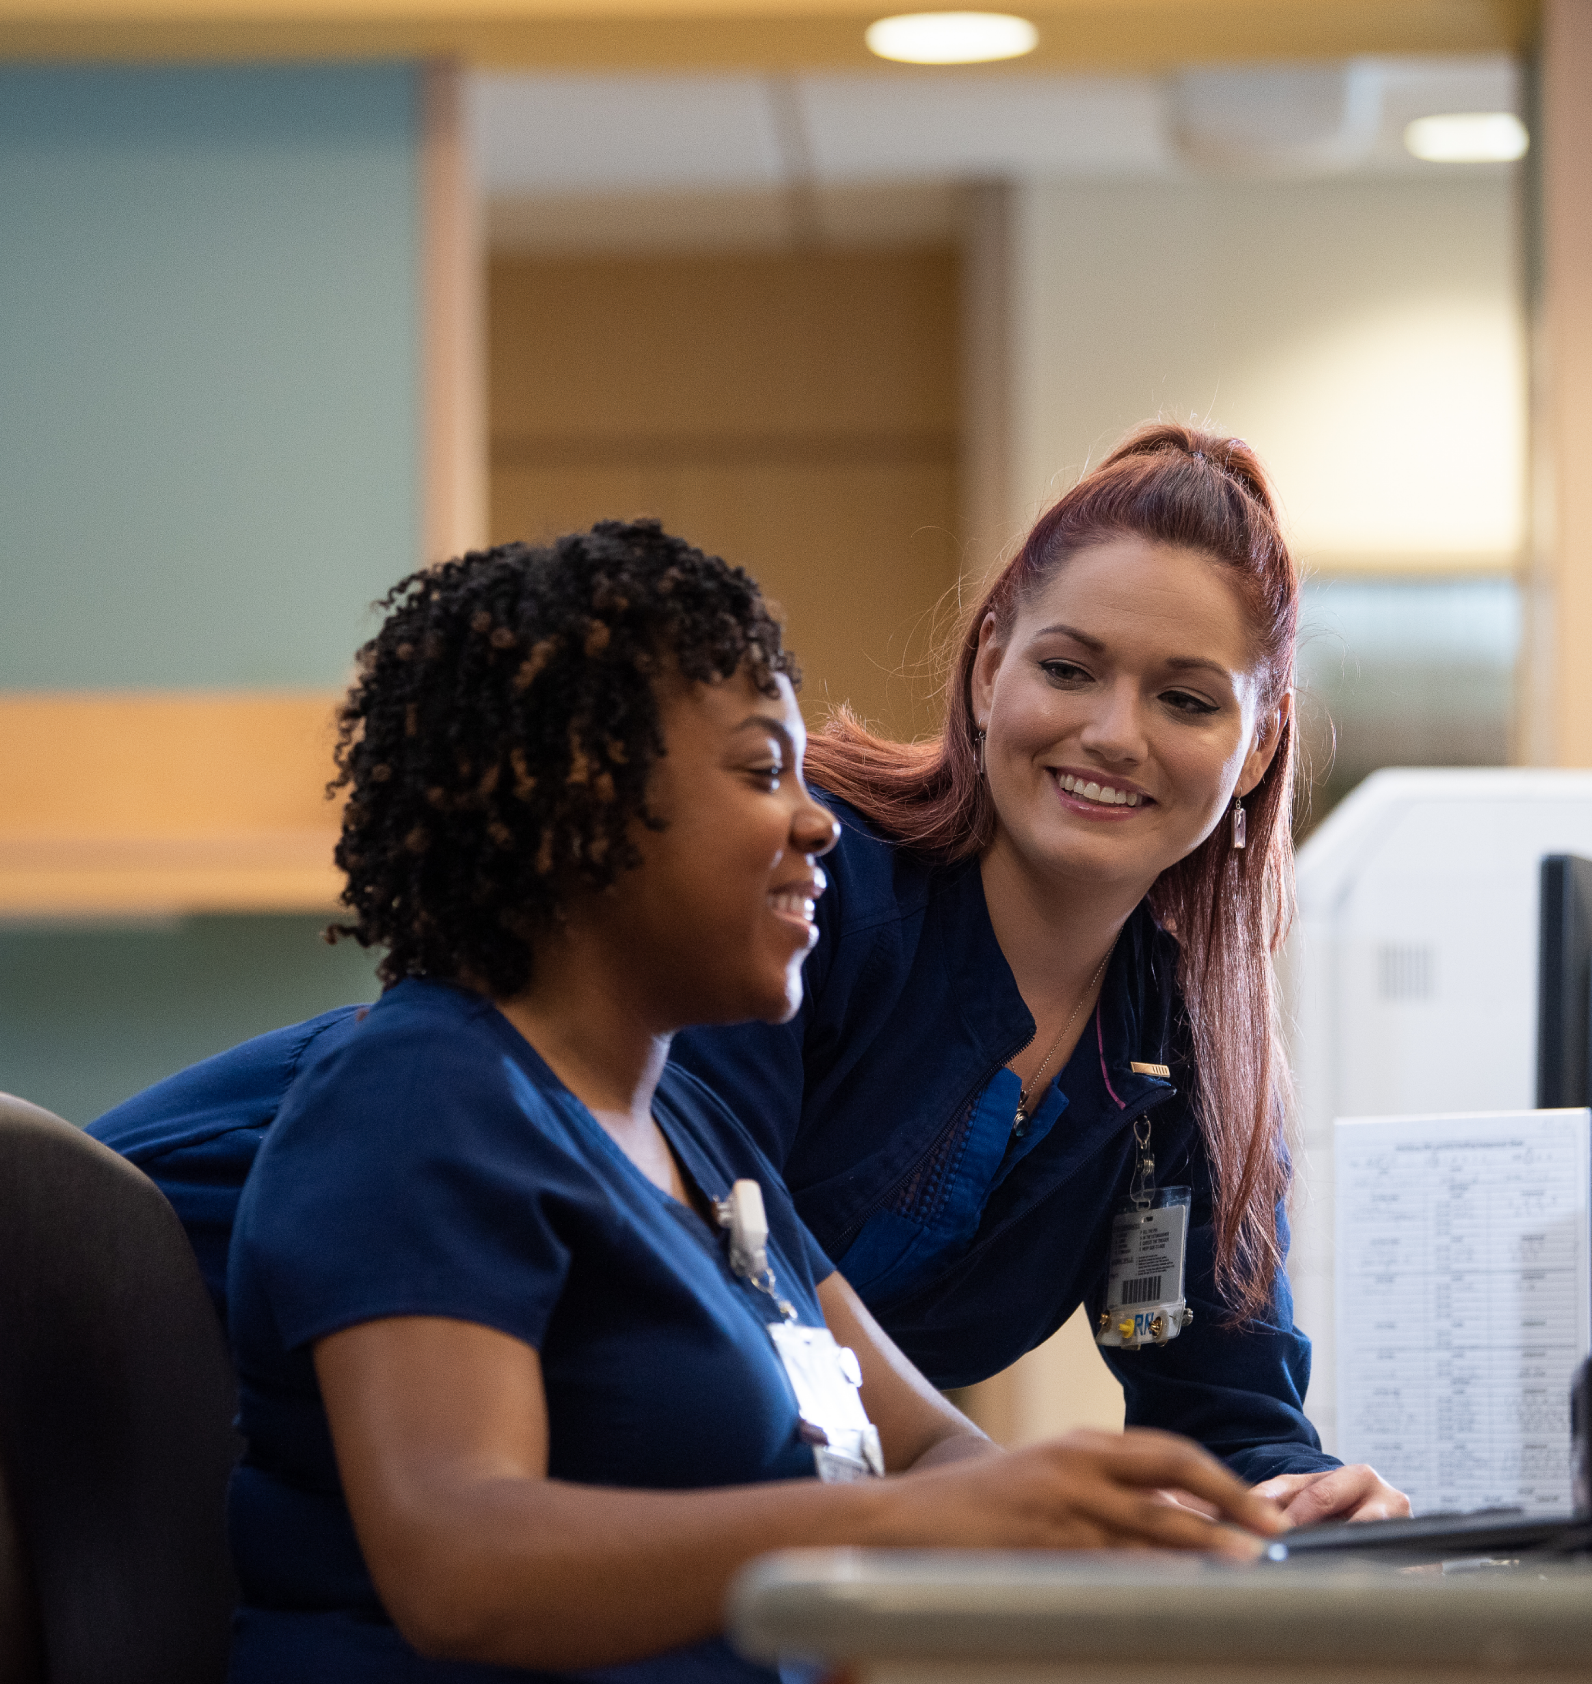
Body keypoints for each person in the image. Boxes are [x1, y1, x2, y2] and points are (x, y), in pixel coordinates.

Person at [96, 425, 1407, 1523]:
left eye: (1186, 699)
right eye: (1070, 669)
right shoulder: (781, 912)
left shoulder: (1170, 1046)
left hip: (635, 1501)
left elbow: (1201, 1411)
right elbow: (688, 1336)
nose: (1113, 732)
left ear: (1258, 744)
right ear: (991, 662)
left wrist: (1285, 1503)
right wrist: (949, 1515)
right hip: (184, 1338)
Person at [174, 521, 1284, 1684]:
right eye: (764, 774)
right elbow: (461, 1565)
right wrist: (898, 1526)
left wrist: (1092, 1527)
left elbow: (921, 1453)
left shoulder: (702, 1148)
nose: (820, 824)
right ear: (583, 801)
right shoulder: (419, 1095)